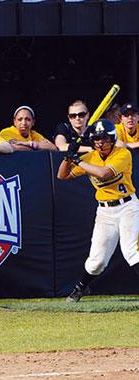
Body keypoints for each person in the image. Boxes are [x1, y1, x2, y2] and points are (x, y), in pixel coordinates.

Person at [57, 120, 139, 303]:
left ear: (112, 139)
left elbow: (103, 174)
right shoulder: (90, 157)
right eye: (96, 140)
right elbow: (62, 176)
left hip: (128, 207)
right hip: (105, 211)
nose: (100, 143)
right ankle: (80, 288)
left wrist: (77, 159)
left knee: (131, 251)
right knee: (97, 261)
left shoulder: (123, 154)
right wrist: (67, 157)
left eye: (104, 139)